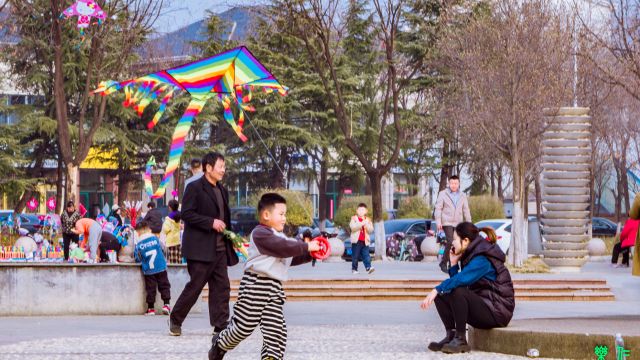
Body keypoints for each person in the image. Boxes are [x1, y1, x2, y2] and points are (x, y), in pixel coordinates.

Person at [209, 193, 320, 360]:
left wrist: (311, 253)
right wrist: (305, 246)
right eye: (281, 214)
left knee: (276, 329)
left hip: (274, 288)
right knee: (243, 327)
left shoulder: (281, 237)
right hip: (255, 285)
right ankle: (220, 344)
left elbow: (288, 257)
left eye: (285, 214)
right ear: (266, 215)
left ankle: (271, 357)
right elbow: (283, 247)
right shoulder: (260, 233)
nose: (284, 218)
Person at [169, 152, 238, 337]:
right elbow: (187, 214)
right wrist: (211, 222)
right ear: (208, 167)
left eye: (224, 167)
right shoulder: (195, 188)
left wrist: (231, 238)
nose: (223, 170)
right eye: (220, 166)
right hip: (200, 248)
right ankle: (175, 319)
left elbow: (225, 218)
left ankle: (220, 324)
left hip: (220, 248)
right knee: (195, 287)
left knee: (222, 287)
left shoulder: (222, 190)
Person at [421, 223, 515, 354]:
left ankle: (460, 340)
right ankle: (451, 335)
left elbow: (460, 283)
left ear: (465, 241)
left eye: (454, 239)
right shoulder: (471, 255)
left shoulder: (482, 258)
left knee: (453, 290)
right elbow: (458, 284)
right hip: (485, 305)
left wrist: (436, 289)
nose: (451, 242)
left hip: (497, 311)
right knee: (442, 295)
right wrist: (453, 263)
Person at [434, 175, 472, 272]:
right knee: (450, 240)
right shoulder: (443, 194)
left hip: (458, 223)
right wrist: (438, 222)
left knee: (458, 244)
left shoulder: (463, 195)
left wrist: (469, 224)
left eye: (455, 183)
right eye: (452, 183)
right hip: (446, 222)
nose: (453, 185)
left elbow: (466, 210)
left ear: (458, 184)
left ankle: (452, 264)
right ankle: (444, 262)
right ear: (449, 183)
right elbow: (438, 208)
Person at [134, 221, 171, 316]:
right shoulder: (155, 238)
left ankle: (151, 309)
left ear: (138, 232)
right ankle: (166, 305)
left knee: (150, 289)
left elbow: (137, 258)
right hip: (161, 266)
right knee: (164, 285)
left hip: (149, 270)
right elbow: (163, 249)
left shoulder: (139, 244)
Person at [349, 203, 375, 274]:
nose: (361, 211)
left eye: (363, 210)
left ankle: (368, 267)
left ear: (366, 211)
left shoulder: (368, 220)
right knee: (355, 256)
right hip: (356, 241)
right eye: (359, 210)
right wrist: (361, 223)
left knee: (366, 255)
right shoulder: (354, 218)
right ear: (357, 211)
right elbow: (353, 228)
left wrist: (366, 224)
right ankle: (354, 269)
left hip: (365, 241)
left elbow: (371, 230)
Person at [162, 199, 182, 264]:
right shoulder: (179, 215)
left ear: (170, 207)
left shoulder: (169, 218)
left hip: (170, 242)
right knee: (178, 260)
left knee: (171, 262)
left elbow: (165, 229)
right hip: (177, 241)